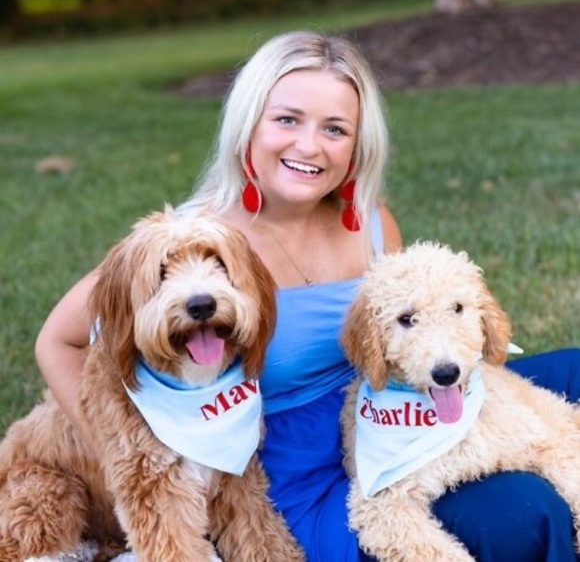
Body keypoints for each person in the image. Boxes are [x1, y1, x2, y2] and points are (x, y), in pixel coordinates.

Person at [35, 30, 580, 561]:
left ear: (356, 145)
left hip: (389, 403)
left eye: (335, 128)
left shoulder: (369, 221)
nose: (309, 146)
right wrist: (121, 456)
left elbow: (408, 329)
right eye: (287, 119)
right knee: (524, 514)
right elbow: (58, 341)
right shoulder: (193, 248)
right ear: (249, 124)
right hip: (300, 469)